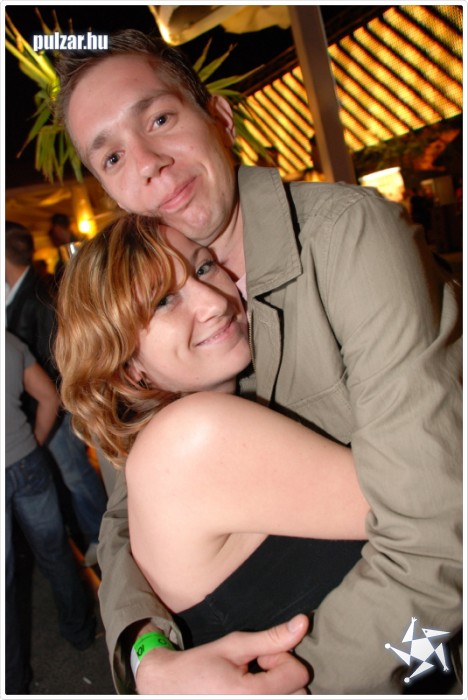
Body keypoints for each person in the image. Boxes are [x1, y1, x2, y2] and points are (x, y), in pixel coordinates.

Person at [54, 30, 462, 694]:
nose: (148, 163)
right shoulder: (144, 343)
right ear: (110, 190)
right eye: (114, 156)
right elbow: (126, 519)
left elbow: (438, 526)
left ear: (219, 117)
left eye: (159, 119)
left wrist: (297, 686)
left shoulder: (344, 237)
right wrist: (147, 657)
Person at [54, 214, 369, 662]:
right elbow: (426, 503)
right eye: (163, 301)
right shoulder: (193, 436)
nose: (214, 301)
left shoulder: (186, 430)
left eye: (204, 267)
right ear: (128, 366)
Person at [6, 220, 108, 567]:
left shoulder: (37, 294)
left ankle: (101, 538)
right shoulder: (18, 293)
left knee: (76, 473)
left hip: (55, 405)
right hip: (42, 405)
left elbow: (57, 358)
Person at [5, 330, 96, 694]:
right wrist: (34, 443)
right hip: (27, 461)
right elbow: (49, 396)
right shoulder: (8, 342)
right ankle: (81, 631)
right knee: (55, 551)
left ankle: (13, 684)